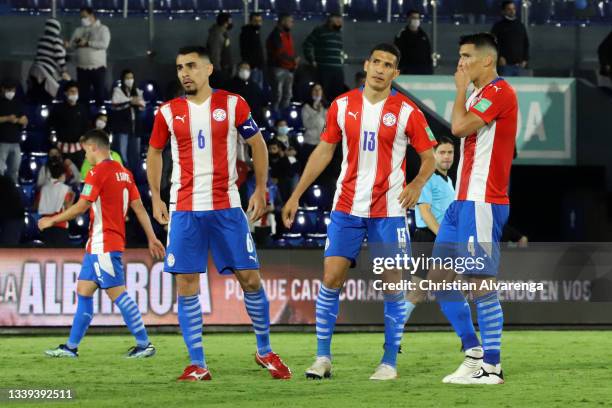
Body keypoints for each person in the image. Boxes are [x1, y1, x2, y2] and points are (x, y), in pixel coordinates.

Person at [281, 43, 437, 381]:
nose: (381, 69)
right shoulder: (342, 105)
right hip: (346, 208)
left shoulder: (408, 111)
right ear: (366, 65)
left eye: (389, 65)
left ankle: (389, 362)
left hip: (389, 212)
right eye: (376, 62)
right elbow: (324, 151)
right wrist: (295, 194)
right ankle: (322, 358)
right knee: (331, 278)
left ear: (396, 73)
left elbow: (429, 156)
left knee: (392, 284)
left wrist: (417, 185)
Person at [146, 46, 291, 381]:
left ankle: (265, 350)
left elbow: (257, 144)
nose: (185, 72)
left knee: (250, 278)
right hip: (184, 210)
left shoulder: (233, 103)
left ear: (208, 68)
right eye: (180, 67)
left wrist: (259, 188)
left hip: (227, 207)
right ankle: (197, 362)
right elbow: (154, 152)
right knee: (186, 282)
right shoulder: (167, 112)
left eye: (192, 66)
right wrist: (155, 196)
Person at [429, 33, 517, 385]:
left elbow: (458, 127)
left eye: (466, 56)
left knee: (480, 282)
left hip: (483, 201)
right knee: (438, 279)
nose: (460, 62)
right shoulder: (481, 94)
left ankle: (492, 367)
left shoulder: (499, 92)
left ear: (486, 60)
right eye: (460, 55)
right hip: (461, 203)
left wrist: (460, 89)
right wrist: (467, 90)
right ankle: (474, 352)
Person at [40, 129, 165, 358]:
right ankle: (71, 347)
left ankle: (144, 344)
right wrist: (152, 237)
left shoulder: (97, 173)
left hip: (103, 244)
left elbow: (81, 206)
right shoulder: (125, 173)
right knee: (84, 290)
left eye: (86, 150)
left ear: (94, 148)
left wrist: (51, 220)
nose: (85, 156)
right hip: (100, 244)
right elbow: (139, 208)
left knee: (118, 293)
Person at [69, 7, 111, 105]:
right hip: (82, 68)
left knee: (99, 94)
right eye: (81, 17)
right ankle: (84, 118)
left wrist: (88, 43)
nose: (83, 19)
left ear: (92, 16)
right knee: (83, 97)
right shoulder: (78, 30)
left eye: (84, 16)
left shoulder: (103, 29)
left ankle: (100, 117)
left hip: (98, 68)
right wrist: (76, 43)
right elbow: (71, 45)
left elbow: (104, 44)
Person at [303, 13, 345, 101]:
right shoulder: (320, 30)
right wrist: (311, 60)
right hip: (324, 69)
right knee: (324, 94)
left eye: (341, 19)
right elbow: (307, 44)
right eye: (338, 19)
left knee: (338, 95)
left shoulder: (338, 33)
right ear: (331, 19)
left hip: (337, 69)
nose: (340, 21)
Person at [28, 18, 70, 104]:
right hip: (45, 71)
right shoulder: (56, 40)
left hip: (35, 69)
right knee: (49, 94)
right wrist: (64, 71)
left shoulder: (41, 39)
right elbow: (59, 56)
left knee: (36, 95)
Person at [48, 81, 90, 168]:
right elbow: (50, 125)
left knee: (79, 176)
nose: (74, 94)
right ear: (66, 93)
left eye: (76, 92)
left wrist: (84, 136)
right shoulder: (58, 109)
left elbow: (86, 126)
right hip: (62, 148)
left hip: (78, 149)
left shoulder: (82, 109)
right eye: (71, 91)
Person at [35, 157, 75, 247]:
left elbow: (37, 206)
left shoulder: (43, 189)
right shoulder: (66, 189)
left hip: (45, 226)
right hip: (60, 226)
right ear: (62, 175)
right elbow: (68, 208)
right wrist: (72, 198)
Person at [111, 69, 146, 169]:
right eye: (127, 78)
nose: (129, 80)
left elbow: (142, 105)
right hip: (123, 127)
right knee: (122, 153)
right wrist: (131, 101)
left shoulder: (138, 91)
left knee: (135, 153)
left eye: (131, 78)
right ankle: (124, 172)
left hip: (135, 127)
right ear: (123, 79)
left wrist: (132, 102)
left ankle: (134, 175)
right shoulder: (118, 90)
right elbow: (115, 103)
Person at [266, 14, 298, 112]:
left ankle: (284, 117)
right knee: (277, 95)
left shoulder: (286, 34)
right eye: (290, 21)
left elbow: (289, 50)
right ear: (283, 21)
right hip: (278, 68)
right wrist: (293, 59)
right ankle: (275, 117)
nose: (292, 24)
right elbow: (278, 53)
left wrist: (294, 60)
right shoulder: (276, 35)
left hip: (288, 68)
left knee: (287, 95)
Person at [0, 79, 28, 184]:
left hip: (16, 142)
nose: (11, 92)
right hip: (2, 142)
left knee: (14, 171)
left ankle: (13, 191)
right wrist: (7, 118)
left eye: (13, 90)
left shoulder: (18, 104)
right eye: (9, 89)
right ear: (3, 89)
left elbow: (25, 120)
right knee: (0, 170)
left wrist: (18, 120)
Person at [491, 1, 529, 77]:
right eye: (509, 9)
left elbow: (526, 43)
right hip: (505, 66)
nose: (512, 11)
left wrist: (525, 59)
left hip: (519, 65)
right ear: (503, 11)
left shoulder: (520, 25)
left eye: (513, 9)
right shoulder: (498, 26)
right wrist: (499, 57)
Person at [394, 10, 433, 75]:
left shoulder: (423, 35)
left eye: (417, 18)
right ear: (408, 19)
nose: (416, 20)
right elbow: (397, 54)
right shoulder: (401, 35)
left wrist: (429, 69)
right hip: (407, 72)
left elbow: (428, 53)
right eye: (414, 18)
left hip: (423, 71)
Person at [226, 62, 266, 126]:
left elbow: (262, 102)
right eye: (243, 68)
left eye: (247, 69)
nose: (245, 71)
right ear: (238, 70)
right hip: (236, 121)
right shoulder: (230, 85)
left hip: (254, 121)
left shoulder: (255, 86)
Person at [300, 83, 328, 163]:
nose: (317, 91)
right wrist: (317, 112)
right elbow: (307, 124)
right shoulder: (306, 107)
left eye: (319, 89)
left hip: (322, 143)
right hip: (310, 143)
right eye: (315, 90)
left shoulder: (326, 106)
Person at [207, 12, 234, 88]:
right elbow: (215, 55)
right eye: (230, 21)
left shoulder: (222, 33)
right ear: (225, 22)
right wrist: (218, 72)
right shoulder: (217, 35)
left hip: (223, 69)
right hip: (219, 71)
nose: (231, 23)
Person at [239, 12, 265, 89]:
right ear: (250, 21)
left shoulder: (256, 32)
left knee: (258, 88)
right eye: (255, 21)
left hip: (258, 66)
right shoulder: (246, 33)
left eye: (259, 21)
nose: (258, 23)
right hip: (252, 66)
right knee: (254, 88)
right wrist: (249, 64)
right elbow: (245, 50)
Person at [0, 174, 25, 245]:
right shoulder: (6, 180)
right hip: (11, 215)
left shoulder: (5, 182)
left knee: (8, 246)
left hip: (13, 216)